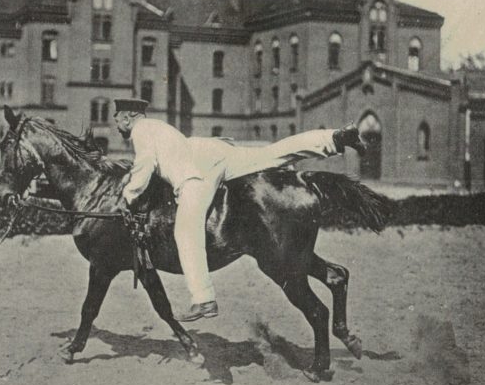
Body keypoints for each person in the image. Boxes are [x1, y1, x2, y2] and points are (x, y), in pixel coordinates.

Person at [114, 98, 365, 322]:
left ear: (128, 118)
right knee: (273, 154)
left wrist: (128, 195)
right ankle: (335, 138)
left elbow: (145, 164)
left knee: (186, 231)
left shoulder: (140, 131)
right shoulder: (159, 126)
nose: (116, 124)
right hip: (217, 153)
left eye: (117, 119)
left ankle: (203, 299)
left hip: (198, 171)